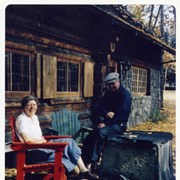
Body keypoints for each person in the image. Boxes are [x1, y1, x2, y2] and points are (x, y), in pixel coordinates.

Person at [15, 95, 99, 180]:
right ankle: (83, 172)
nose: (32, 107)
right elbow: (27, 140)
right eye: (29, 105)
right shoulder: (22, 119)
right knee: (67, 146)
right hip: (34, 152)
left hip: (42, 147)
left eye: (34, 105)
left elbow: (37, 136)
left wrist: (42, 141)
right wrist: (42, 141)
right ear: (24, 107)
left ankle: (82, 174)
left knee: (69, 146)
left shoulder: (34, 117)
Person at [82, 72, 132, 170]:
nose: (111, 86)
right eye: (109, 85)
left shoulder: (125, 95)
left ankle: (93, 163)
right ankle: (84, 161)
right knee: (90, 136)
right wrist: (106, 113)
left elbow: (122, 115)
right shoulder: (109, 93)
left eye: (113, 84)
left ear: (118, 81)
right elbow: (99, 107)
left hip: (119, 125)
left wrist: (105, 123)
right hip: (107, 124)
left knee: (101, 132)